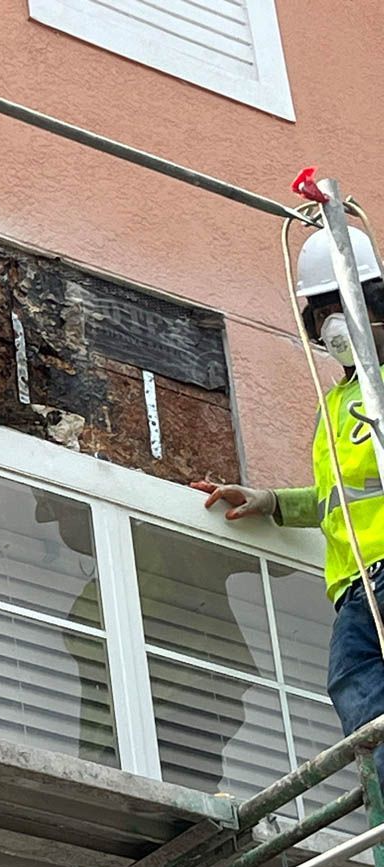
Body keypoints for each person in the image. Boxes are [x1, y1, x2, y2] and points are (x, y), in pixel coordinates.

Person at [193, 225, 384, 777]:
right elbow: (339, 499)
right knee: (361, 700)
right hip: (357, 589)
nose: (330, 327)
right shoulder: (339, 402)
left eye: (339, 307)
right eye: (320, 313)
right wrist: (272, 501)